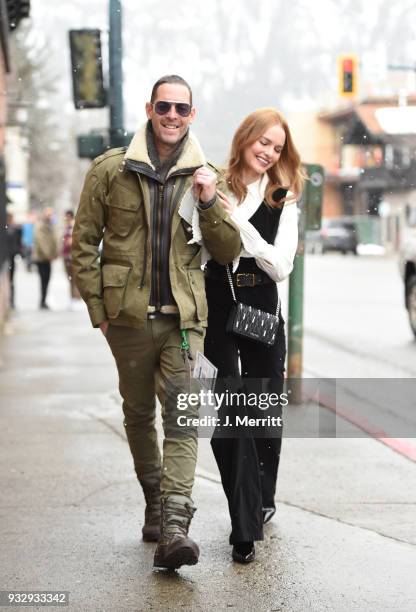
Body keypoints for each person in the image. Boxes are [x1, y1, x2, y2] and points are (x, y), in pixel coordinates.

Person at [72, 75, 241, 570]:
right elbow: (83, 244)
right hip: (126, 318)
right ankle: (153, 499)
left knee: (183, 419)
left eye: (182, 109)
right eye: (164, 106)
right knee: (139, 412)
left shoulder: (208, 176)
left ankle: (173, 526)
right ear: (150, 108)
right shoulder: (110, 170)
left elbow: (228, 251)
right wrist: (99, 311)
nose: (172, 116)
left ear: (193, 115)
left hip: (185, 322)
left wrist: (210, 203)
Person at [204, 108, 304, 564]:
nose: (268, 152)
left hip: (261, 306)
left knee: (263, 412)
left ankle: (262, 498)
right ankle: (242, 520)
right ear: (245, 139)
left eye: (278, 147)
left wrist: (240, 226)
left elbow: (280, 266)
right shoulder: (214, 185)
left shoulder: (283, 199)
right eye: (263, 142)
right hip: (220, 305)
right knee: (232, 411)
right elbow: (200, 249)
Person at [32, 207, 58, 309]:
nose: (49, 216)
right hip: (41, 258)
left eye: (50, 214)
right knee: (43, 279)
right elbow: (41, 242)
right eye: (48, 214)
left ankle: (43, 300)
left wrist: (55, 253)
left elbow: (54, 240)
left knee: (47, 279)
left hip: (48, 258)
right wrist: (49, 255)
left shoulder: (51, 226)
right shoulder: (40, 226)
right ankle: (42, 301)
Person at [62, 210, 82, 309]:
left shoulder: (73, 226)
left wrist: (70, 241)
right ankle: (72, 299)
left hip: (72, 256)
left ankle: (76, 299)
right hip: (67, 256)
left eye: (67, 217)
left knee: (74, 279)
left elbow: (73, 241)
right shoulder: (67, 227)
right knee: (70, 279)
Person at [6, 211, 22, 309]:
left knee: (11, 280)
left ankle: (11, 301)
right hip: (8, 256)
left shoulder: (15, 229)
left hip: (11, 257)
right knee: (11, 280)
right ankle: (10, 301)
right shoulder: (8, 229)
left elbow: (18, 243)